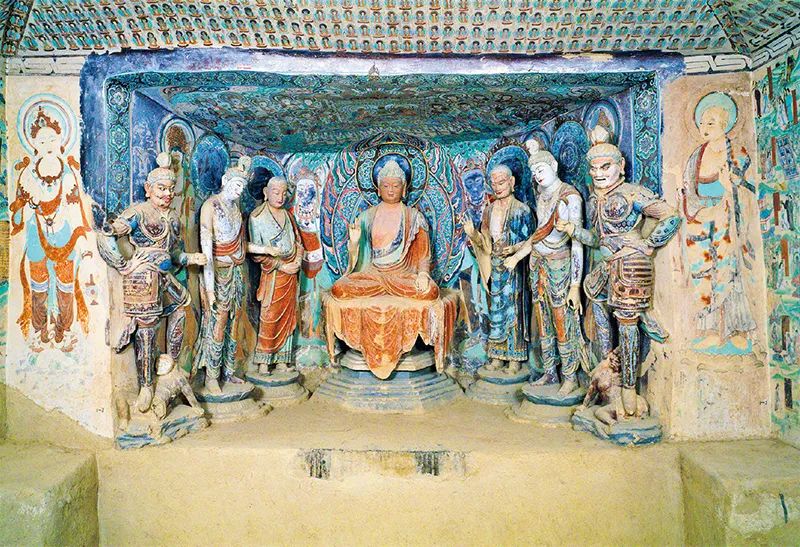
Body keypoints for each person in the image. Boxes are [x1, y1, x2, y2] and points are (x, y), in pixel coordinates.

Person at [557, 126, 680, 417]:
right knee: (592, 292)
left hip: (631, 265)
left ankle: (628, 388)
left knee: (628, 324)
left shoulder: (631, 193)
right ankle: (607, 362)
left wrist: (649, 244)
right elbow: (598, 240)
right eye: (594, 168)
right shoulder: (595, 200)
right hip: (607, 266)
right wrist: (573, 230)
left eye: (606, 167)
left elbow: (670, 216)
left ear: (621, 166)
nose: (598, 173)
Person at [97, 152, 206, 412]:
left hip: (166, 277)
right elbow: (106, 233)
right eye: (161, 188)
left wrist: (190, 257)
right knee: (146, 330)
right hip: (143, 278)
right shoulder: (139, 212)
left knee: (182, 307)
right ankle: (146, 386)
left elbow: (174, 253)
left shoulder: (174, 217)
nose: (167, 194)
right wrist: (123, 264)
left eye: (171, 189)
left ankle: (170, 363)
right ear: (148, 189)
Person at [331, 160, 437, 300]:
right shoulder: (365, 218)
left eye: (396, 186)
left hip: (401, 276)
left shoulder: (414, 217)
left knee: (430, 291)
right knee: (339, 288)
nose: (391, 190)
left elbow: (423, 256)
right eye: (386, 186)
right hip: (372, 275)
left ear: (404, 188)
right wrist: (355, 243)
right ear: (379, 190)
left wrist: (423, 275)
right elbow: (356, 262)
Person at [464, 164, 532, 375]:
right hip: (495, 265)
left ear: (512, 182)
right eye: (493, 183)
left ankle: (514, 357)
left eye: (501, 182)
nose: (497, 187)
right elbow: (485, 244)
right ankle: (496, 356)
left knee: (513, 311)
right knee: (496, 311)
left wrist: (515, 249)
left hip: (514, 267)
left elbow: (532, 240)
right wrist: (472, 234)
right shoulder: (489, 210)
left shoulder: (522, 210)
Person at [193, 159, 249, 394]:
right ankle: (211, 376)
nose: (239, 191)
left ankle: (229, 370)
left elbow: (241, 244)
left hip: (236, 270)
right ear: (225, 181)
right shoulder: (211, 206)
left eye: (242, 187)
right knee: (220, 320)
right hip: (218, 273)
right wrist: (210, 289)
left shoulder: (236, 209)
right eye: (236, 185)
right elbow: (207, 251)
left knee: (235, 319)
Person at [248, 176, 303, 374]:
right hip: (273, 275)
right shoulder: (257, 218)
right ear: (266, 193)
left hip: (291, 275)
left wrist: (297, 261)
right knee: (269, 315)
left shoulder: (288, 216)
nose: (280, 197)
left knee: (288, 318)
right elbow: (257, 254)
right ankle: (264, 361)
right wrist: (281, 265)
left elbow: (298, 243)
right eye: (276, 192)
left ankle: (282, 360)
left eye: (284, 193)